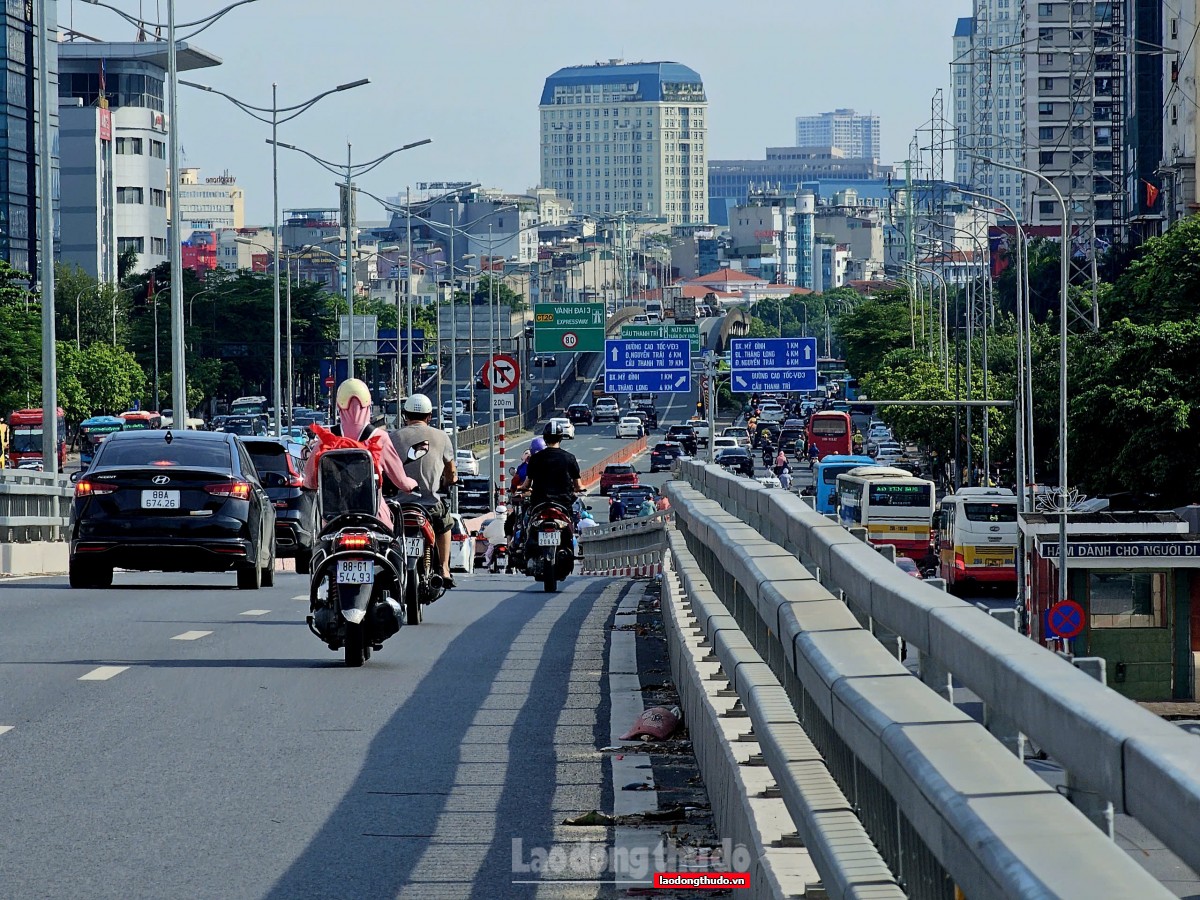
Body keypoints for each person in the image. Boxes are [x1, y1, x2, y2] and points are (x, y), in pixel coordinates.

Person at [304, 379, 417, 532]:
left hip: (333, 521)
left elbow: (310, 480)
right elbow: (401, 481)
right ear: (368, 406)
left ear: (339, 407)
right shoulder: (379, 438)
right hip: (374, 518)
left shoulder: (327, 438)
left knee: (320, 551)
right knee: (393, 550)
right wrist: (412, 484)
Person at [388, 393, 458, 588]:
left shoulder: (392, 437)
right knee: (446, 524)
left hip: (399, 505)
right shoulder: (442, 437)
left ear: (405, 416)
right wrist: (449, 481)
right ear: (429, 417)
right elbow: (451, 471)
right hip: (430, 505)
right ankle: (444, 568)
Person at [482, 505, 508, 569]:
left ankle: (488, 564)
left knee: (488, 555)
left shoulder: (493, 523)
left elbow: (485, 534)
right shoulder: (509, 522)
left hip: (494, 544)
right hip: (508, 543)